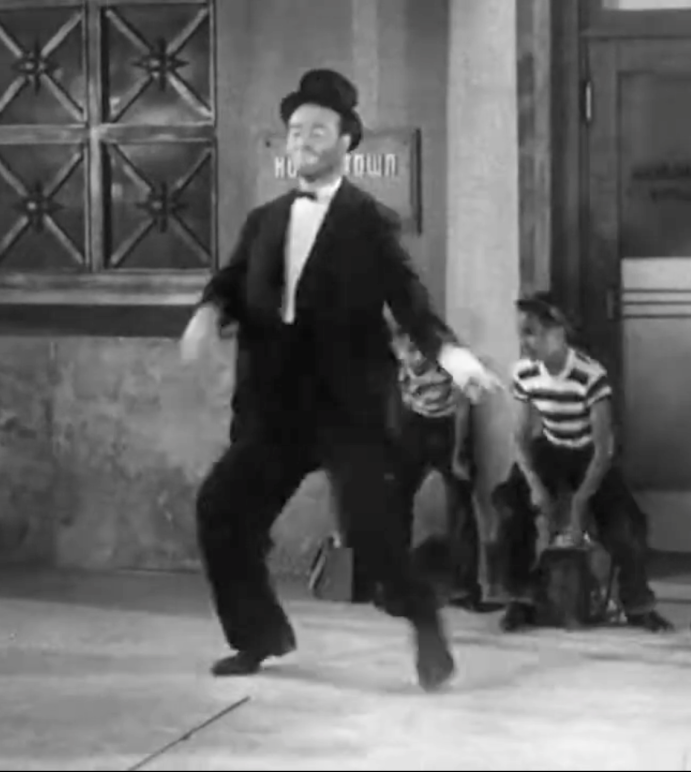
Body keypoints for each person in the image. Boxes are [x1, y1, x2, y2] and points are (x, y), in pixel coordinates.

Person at [179, 68, 500, 692]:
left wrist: (456, 360)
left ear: (346, 141)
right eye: (296, 130)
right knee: (222, 510)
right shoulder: (265, 219)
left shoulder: (369, 221)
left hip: (345, 410)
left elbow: (410, 302)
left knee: (375, 544)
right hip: (274, 408)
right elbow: (232, 280)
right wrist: (207, 312)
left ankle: (423, 617)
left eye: (317, 130)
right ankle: (257, 635)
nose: (302, 139)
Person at [494, 291, 673, 633]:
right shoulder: (524, 373)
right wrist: (534, 486)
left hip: (588, 453)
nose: (526, 342)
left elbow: (604, 448)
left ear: (558, 332)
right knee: (508, 508)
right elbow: (520, 436)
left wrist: (579, 504)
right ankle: (522, 598)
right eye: (522, 333)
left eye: (533, 332)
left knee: (626, 524)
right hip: (549, 448)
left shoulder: (590, 376)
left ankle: (637, 604)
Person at [391, 327, 485, 610]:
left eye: (418, 350)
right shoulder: (398, 357)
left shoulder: (451, 358)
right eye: (407, 350)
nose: (413, 357)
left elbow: (463, 410)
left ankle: (465, 588)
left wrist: (458, 455)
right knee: (397, 496)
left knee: (461, 504)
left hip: (450, 426)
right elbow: (400, 403)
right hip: (417, 423)